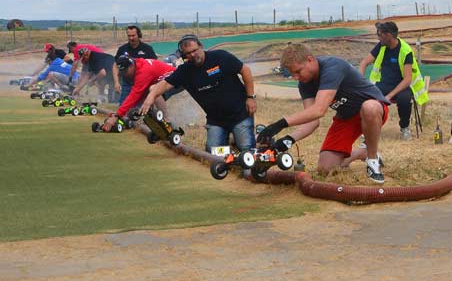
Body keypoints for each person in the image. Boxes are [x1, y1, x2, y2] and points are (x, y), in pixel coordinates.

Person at [257, 43, 391, 184]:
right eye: (292, 74)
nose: (296, 77)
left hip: (374, 110)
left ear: (310, 60)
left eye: (298, 71)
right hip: (347, 117)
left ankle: (372, 159)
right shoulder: (305, 83)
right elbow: (312, 120)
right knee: (325, 169)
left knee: (369, 107)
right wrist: (288, 139)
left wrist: (280, 124)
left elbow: (319, 110)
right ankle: (361, 153)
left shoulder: (333, 67)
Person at [139, 34, 257, 152]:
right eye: (188, 53)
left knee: (246, 149)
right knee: (213, 154)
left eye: (194, 50)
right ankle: (231, 150)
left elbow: (244, 70)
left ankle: (250, 145)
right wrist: (151, 96)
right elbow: (165, 84)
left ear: (201, 46)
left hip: (240, 114)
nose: (192, 55)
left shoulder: (220, 57)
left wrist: (250, 97)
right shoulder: (185, 71)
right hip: (216, 120)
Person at [357, 21, 429, 141]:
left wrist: (390, 95)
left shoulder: (406, 51)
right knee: (368, 97)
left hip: (402, 86)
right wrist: (360, 83)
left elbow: (407, 79)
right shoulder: (381, 45)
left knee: (404, 99)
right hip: (383, 84)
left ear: (388, 35)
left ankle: (405, 128)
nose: (378, 37)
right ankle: (370, 128)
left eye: (379, 35)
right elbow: (364, 63)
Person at [100, 55, 174, 131]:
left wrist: (117, 115)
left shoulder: (143, 71)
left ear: (131, 66)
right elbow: (139, 96)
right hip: (164, 79)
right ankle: (152, 122)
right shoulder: (136, 64)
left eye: (125, 71)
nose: (124, 75)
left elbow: (134, 95)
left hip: (175, 79)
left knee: (153, 90)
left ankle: (167, 123)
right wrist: (126, 113)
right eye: (122, 72)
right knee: (147, 97)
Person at [112, 25, 158, 105]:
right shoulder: (122, 49)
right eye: (129, 36)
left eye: (133, 36)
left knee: (142, 108)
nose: (131, 38)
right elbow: (115, 65)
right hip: (127, 83)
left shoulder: (147, 49)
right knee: (124, 106)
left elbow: (155, 65)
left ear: (139, 35)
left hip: (144, 84)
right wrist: (116, 82)